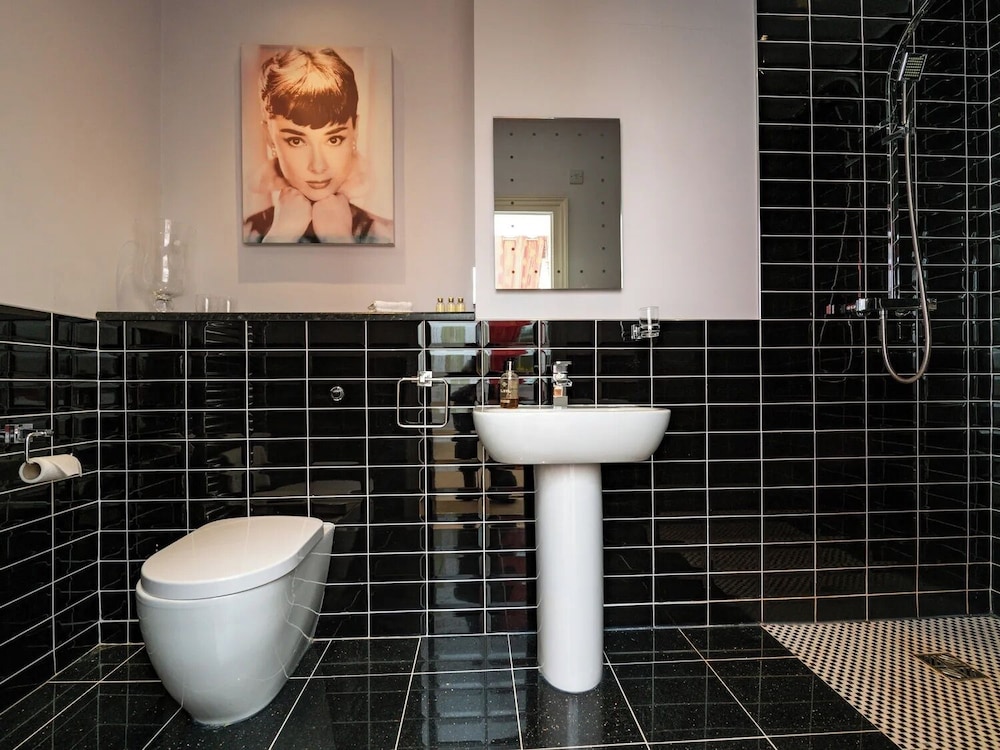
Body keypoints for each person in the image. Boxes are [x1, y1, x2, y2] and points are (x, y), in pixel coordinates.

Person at [243, 47, 393, 244]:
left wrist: (340, 239)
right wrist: (281, 234)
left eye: (333, 139)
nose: (318, 166)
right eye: (296, 141)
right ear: (270, 137)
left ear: (355, 131)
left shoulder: (388, 235)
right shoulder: (243, 234)